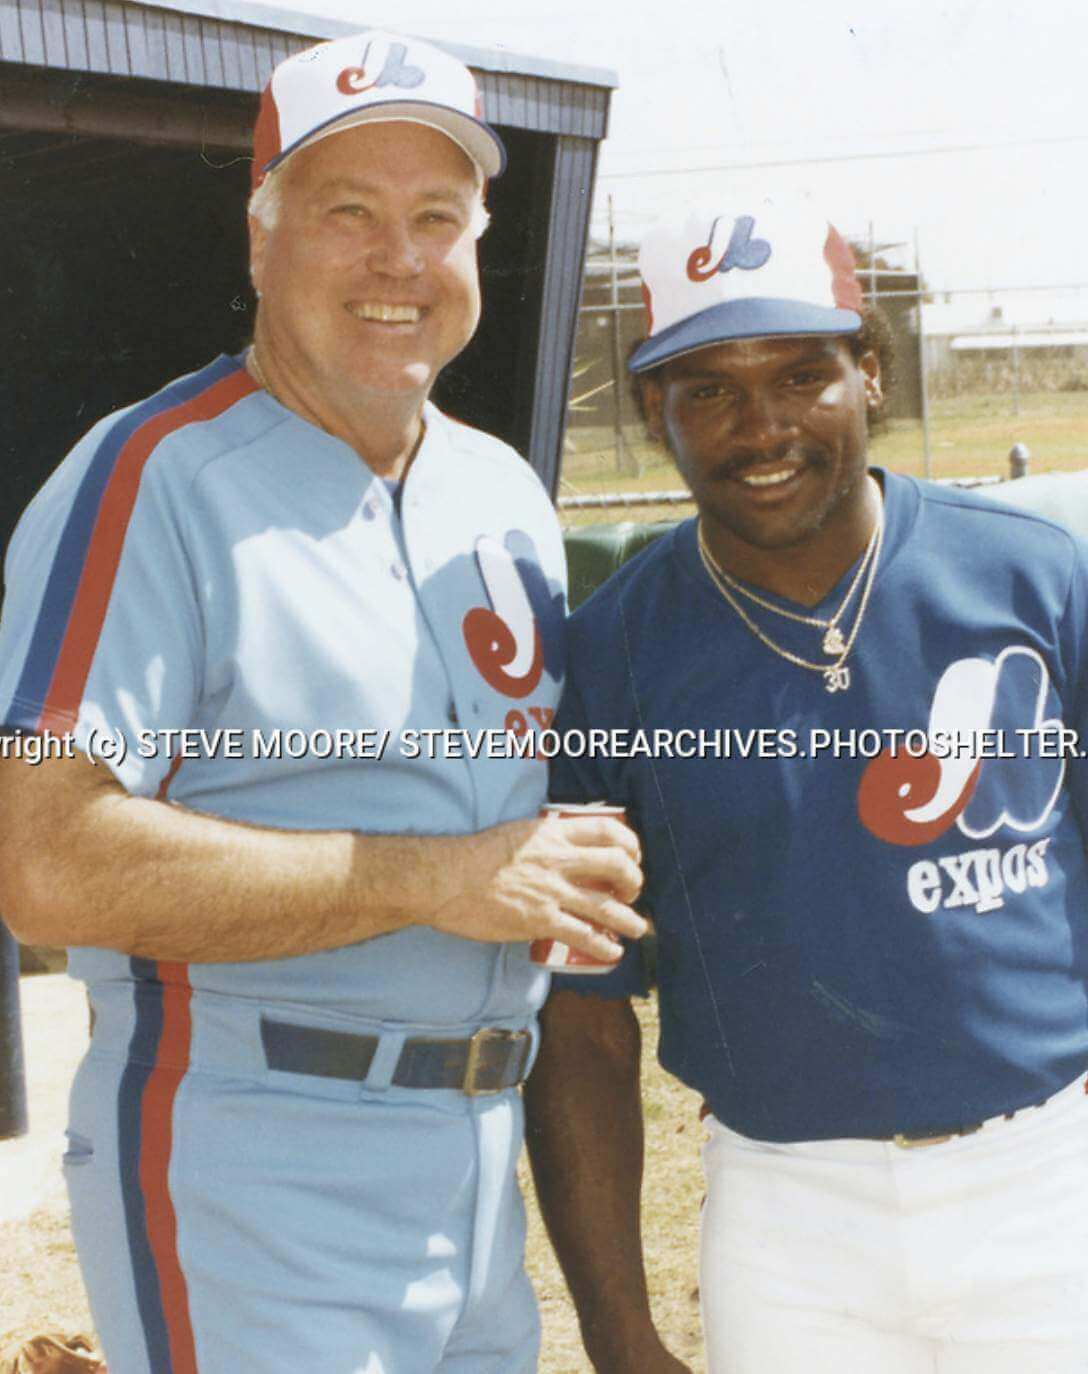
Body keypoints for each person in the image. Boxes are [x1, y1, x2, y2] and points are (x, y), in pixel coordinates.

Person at [0, 30, 646, 1374]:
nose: (397, 259)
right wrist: (436, 875)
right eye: (346, 212)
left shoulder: (506, 497)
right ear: (260, 238)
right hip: (253, 1152)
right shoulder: (151, 478)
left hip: (477, 1172)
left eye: (436, 217)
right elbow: (40, 857)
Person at [524, 196, 1088, 1374]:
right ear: (652, 412)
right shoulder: (613, 651)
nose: (758, 425)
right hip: (787, 1216)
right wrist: (619, 1333)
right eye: (708, 390)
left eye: (798, 375)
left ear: (868, 374)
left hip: (1046, 1176)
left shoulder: (1032, 579)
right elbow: (581, 1023)